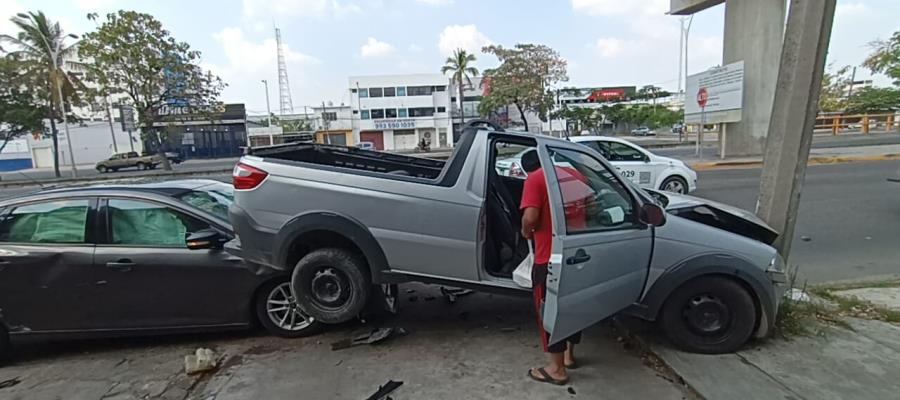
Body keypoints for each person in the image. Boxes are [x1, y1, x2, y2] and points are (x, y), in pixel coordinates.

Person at [519, 149, 583, 386]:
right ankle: (569, 356)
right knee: (573, 308)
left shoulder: (536, 178)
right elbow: (593, 208)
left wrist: (526, 233)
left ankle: (556, 369)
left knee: (551, 312)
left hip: (550, 258)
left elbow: (531, 218)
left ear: (529, 167)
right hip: (579, 254)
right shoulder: (573, 175)